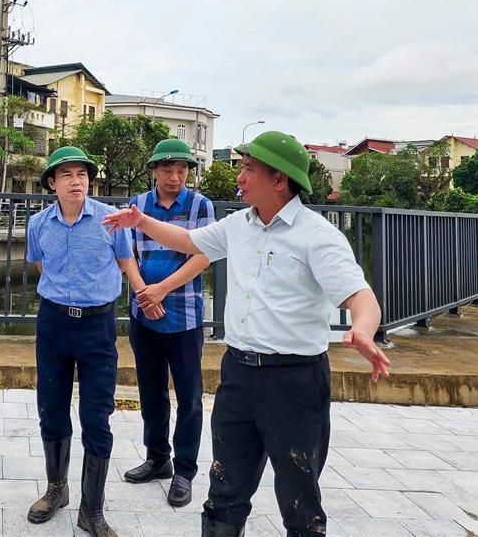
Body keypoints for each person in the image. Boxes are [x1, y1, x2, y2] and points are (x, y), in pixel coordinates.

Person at [103, 130, 391, 537]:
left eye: (248, 169)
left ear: (279, 180)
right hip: (238, 375)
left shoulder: (317, 235)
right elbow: (187, 240)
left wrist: (363, 329)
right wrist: (141, 220)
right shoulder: (239, 224)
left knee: (299, 496)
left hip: (294, 381)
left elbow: (360, 295)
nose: (239, 177)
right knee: (224, 491)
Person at [25, 146, 144, 537]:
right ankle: (56, 489)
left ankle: (91, 510)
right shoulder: (39, 224)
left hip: (97, 327)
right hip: (54, 324)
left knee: (96, 416)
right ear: (52, 184)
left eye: (82, 174)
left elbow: (126, 262)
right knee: (52, 409)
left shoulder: (111, 221)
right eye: (67, 175)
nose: (76, 181)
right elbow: (41, 263)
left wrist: (144, 292)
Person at [122, 138, 213, 509]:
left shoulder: (199, 205)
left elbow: (204, 254)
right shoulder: (139, 205)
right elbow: (125, 252)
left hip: (184, 314)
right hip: (144, 312)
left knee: (189, 397)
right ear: (154, 170)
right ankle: (157, 457)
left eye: (182, 169)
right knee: (151, 391)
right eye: (167, 169)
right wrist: (145, 293)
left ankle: (185, 471)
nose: (175, 176)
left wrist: (162, 290)